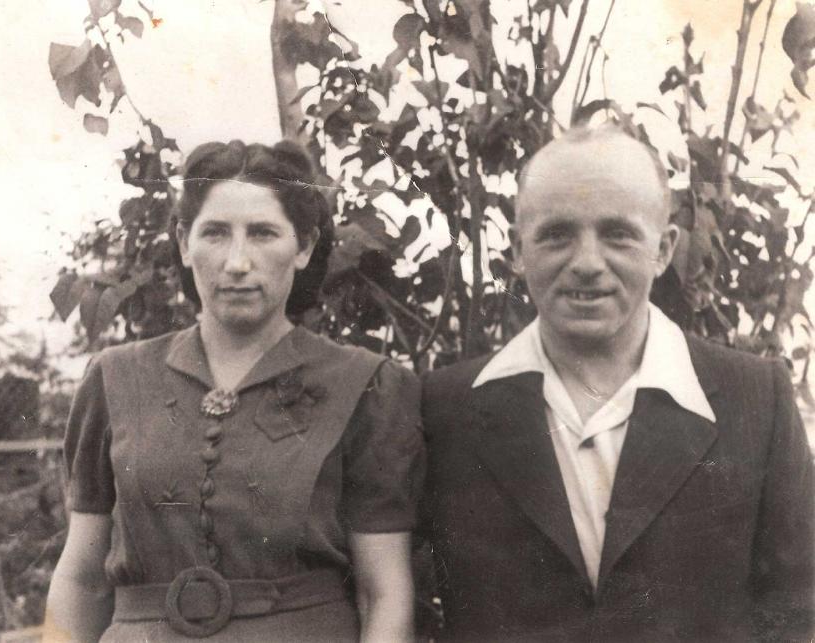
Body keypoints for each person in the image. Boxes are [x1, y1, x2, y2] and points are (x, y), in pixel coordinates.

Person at [421, 126, 814, 641]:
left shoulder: (755, 398)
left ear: (664, 248)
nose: (587, 264)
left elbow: (800, 605)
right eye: (557, 233)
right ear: (518, 250)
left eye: (618, 234)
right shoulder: (444, 408)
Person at [45, 140, 424, 642]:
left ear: (305, 246)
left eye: (264, 233)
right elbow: (82, 578)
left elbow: (384, 593)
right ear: (184, 242)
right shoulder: (116, 378)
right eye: (216, 234)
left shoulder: (365, 385)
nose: (238, 262)